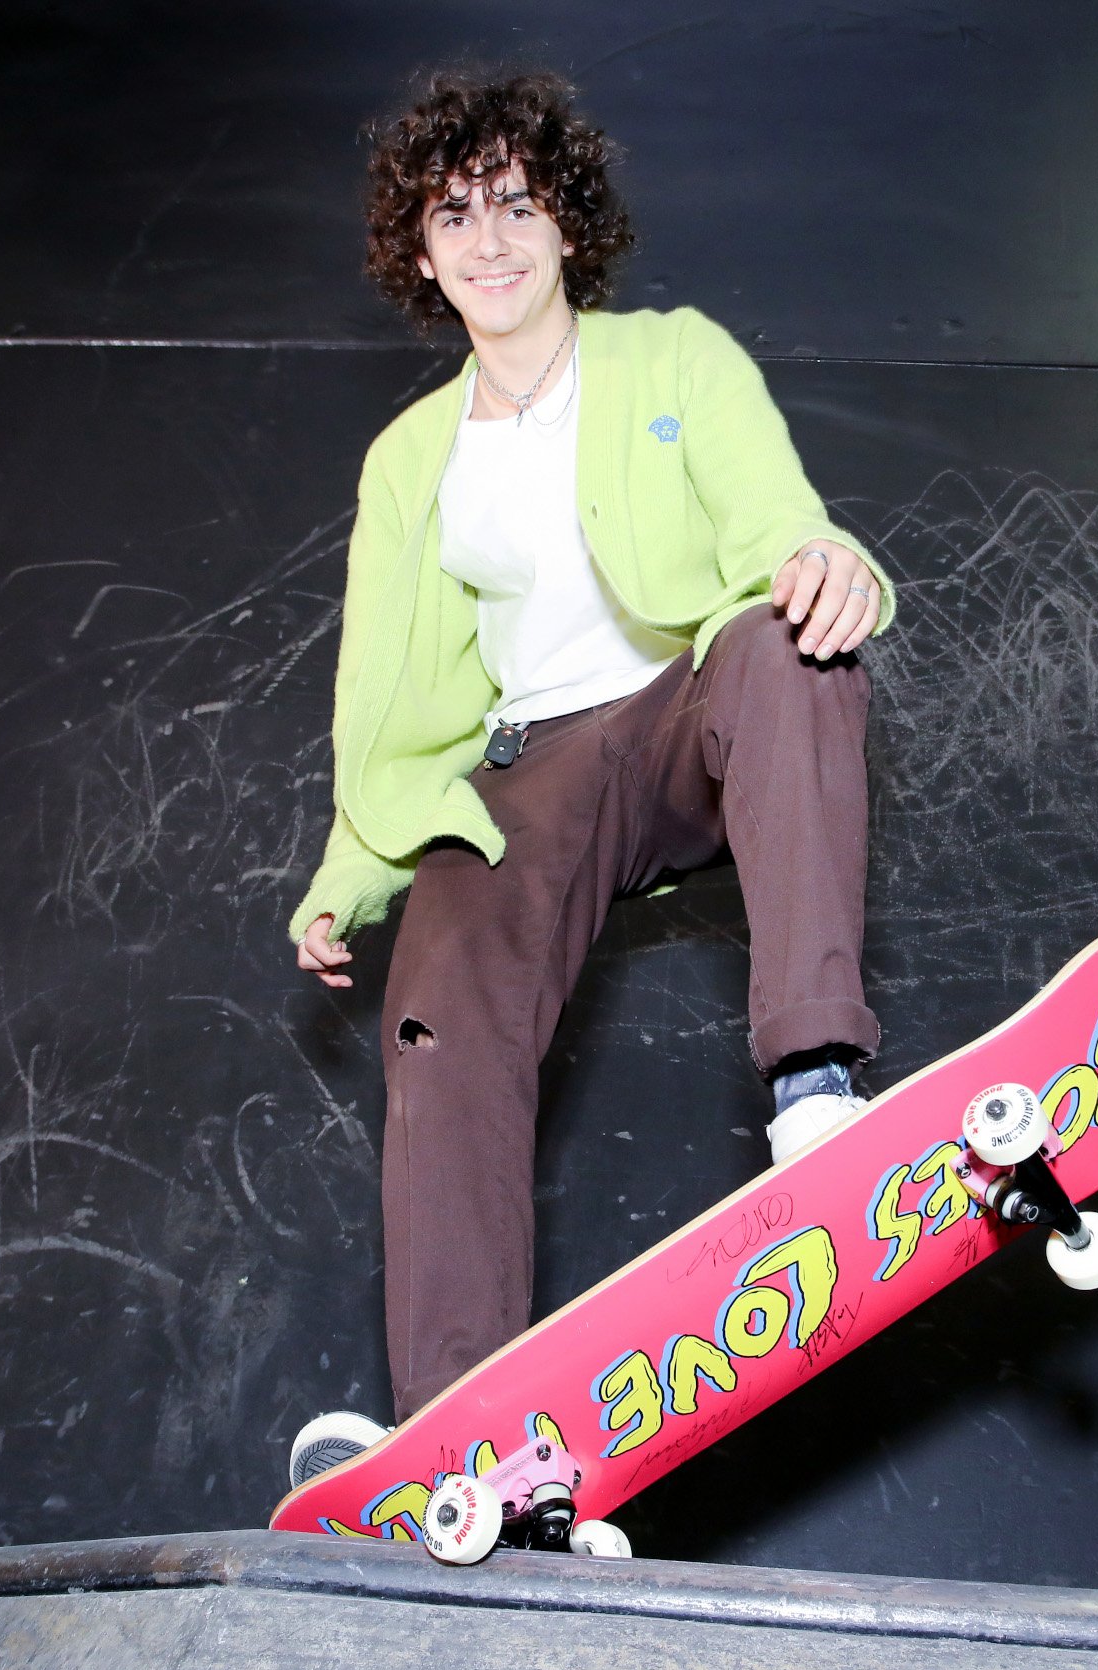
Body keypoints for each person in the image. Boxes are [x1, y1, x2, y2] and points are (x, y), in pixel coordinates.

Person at [285, 69, 896, 1487]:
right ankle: (459, 1420)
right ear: (421, 255)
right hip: (528, 769)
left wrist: (823, 565)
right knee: (438, 1004)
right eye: (455, 215)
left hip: (682, 704)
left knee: (779, 642)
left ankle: (813, 1084)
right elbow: (379, 695)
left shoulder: (675, 361)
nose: (489, 239)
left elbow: (780, 523)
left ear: (568, 225)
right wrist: (347, 879)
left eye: (515, 203)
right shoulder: (408, 462)